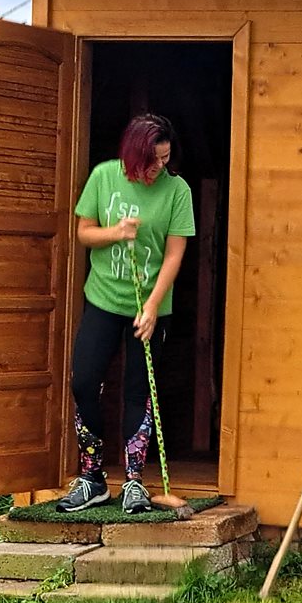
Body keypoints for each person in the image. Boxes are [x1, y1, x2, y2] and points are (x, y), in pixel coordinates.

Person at [56, 114, 196, 514]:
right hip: (103, 299)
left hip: (148, 307)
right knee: (84, 381)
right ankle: (92, 477)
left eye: (166, 159)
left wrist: (152, 305)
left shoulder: (177, 191)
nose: (160, 168)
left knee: (139, 391)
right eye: (153, 161)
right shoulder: (103, 177)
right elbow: (84, 233)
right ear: (133, 156)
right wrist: (116, 232)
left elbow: (175, 253)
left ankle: (134, 482)